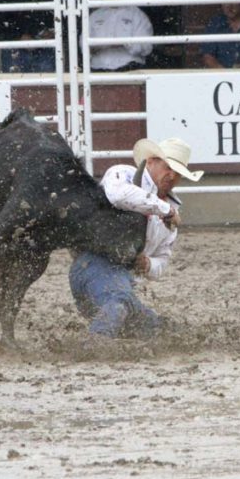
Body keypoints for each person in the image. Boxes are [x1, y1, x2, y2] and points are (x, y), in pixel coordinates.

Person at [69, 137, 202, 339]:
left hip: (117, 278)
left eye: (178, 173)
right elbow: (119, 195)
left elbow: (163, 259)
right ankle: (92, 347)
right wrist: (164, 210)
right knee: (118, 305)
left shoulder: (171, 211)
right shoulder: (124, 174)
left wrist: (148, 264)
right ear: (150, 161)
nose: (172, 175)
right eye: (168, 167)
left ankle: (99, 339)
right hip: (94, 264)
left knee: (149, 324)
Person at [85, 0, 153, 71]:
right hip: (98, 71)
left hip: (129, 69)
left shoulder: (137, 15)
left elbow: (146, 47)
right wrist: (95, 46)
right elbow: (83, 44)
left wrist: (125, 43)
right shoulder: (94, 16)